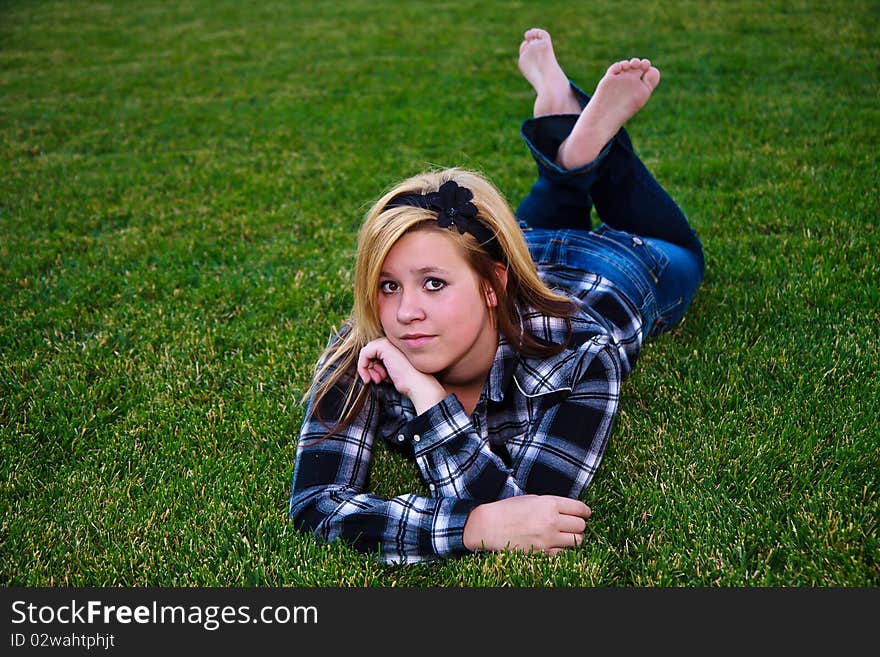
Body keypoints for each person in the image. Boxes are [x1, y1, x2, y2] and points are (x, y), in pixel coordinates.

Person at [288, 28, 704, 564]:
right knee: (541, 210)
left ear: (493, 287)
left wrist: (429, 400)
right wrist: (475, 526)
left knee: (685, 252)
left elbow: (534, 514)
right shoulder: (363, 350)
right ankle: (568, 153)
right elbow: (316, 505)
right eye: (388, 285)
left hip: (616, 263)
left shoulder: (578, 356)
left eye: (433, 283)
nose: (405, 312)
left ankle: (581, 150)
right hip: (522, 241)